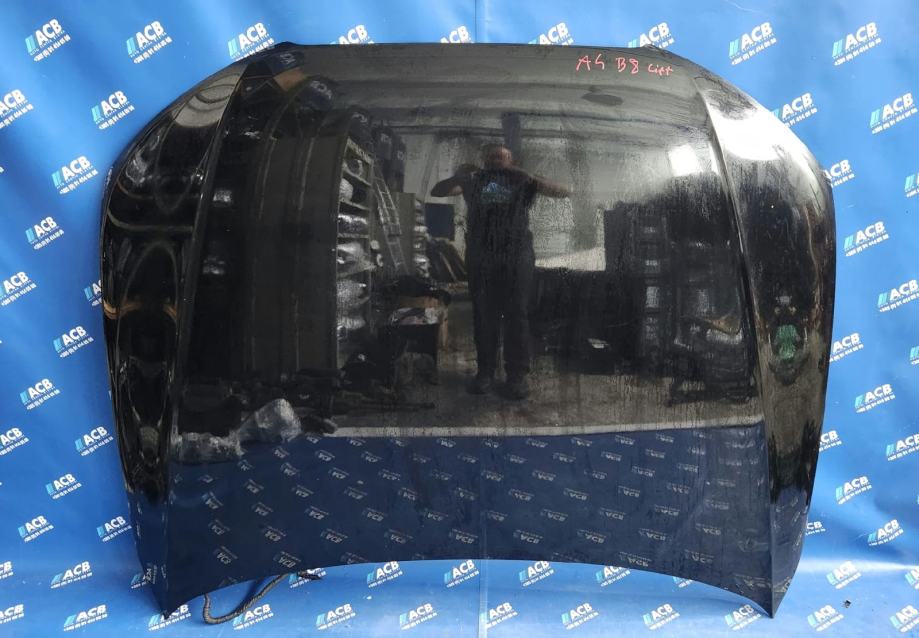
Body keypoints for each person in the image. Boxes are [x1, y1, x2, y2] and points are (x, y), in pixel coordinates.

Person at [431, 144, 571, 399]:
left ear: (511, 160)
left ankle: (516, 377)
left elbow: (564, 192)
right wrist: (460, 177)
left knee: (517, 313)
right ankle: (485, 372)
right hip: (482, 255)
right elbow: (438, 191)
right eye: (491, 157)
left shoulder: (522, 180)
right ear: (484, 160)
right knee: (484, 314)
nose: (496, 160)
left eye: (501, 157)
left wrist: (531, 177)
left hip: (516, 254)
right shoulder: (474, 180)